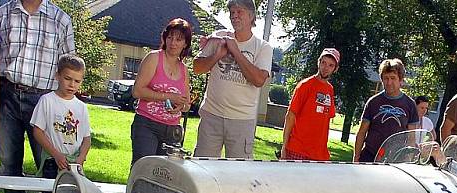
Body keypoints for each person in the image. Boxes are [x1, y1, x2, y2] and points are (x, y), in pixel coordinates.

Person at [0, 0, 75, 193]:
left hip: (43, 100)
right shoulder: (3, 13)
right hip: (7, 93)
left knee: (49, 167)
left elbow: (69, 66)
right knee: (9, 165)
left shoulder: (60, 19)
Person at [193, 0, 272, 159]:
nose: (234, 16)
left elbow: (258, 80)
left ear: (251, 16)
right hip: (211, 115)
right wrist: (217, 55)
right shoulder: (219, 38)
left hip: (242, 120)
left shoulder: (263, 47)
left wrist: (236, 52)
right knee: (202, 168)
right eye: (232, 12)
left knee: (238, 173)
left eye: (239, 12)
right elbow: (197, 68)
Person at [26, 54, 90, 193]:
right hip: (54, 163)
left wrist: (80, 159)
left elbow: (86, 138)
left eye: (77, 81)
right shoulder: (47, 101)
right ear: (58, 76)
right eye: (67, 78)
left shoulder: (81, 107)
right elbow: (38, 131)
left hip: (74, 165)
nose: (72, 85)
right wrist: (55, 154)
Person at [130, 18, 192, 165]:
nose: (173, 42)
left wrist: (180, 106)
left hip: (172, 129)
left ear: (185, 44)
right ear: (164, 38)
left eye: (178, 39)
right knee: (144, 167)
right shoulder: (153, 58)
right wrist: (167, 96)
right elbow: (137, 91)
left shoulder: (184, 70)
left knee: (165, 174)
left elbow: (187, 103)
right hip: (147, 124)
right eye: (170, 37)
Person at [353, 58, 418, 163]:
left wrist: (409, 160)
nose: (389, 82)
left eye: (393, 78)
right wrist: (356, 157)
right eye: (386, 78)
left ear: (400, 80)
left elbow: (411, 137)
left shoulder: (410, 104)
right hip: (370, 156)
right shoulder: (373, 102)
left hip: (395, 159)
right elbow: (362, 131)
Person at [280, 47, 339, 161]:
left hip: (319, 155)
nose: (326, 68)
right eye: (323, 63)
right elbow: (290, 116)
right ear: (318, 62)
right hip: (298, 150)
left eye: (331, 65)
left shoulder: (330, 89)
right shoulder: (305, 85)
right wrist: (284, 146)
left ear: (335, 69)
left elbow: (326, 119)